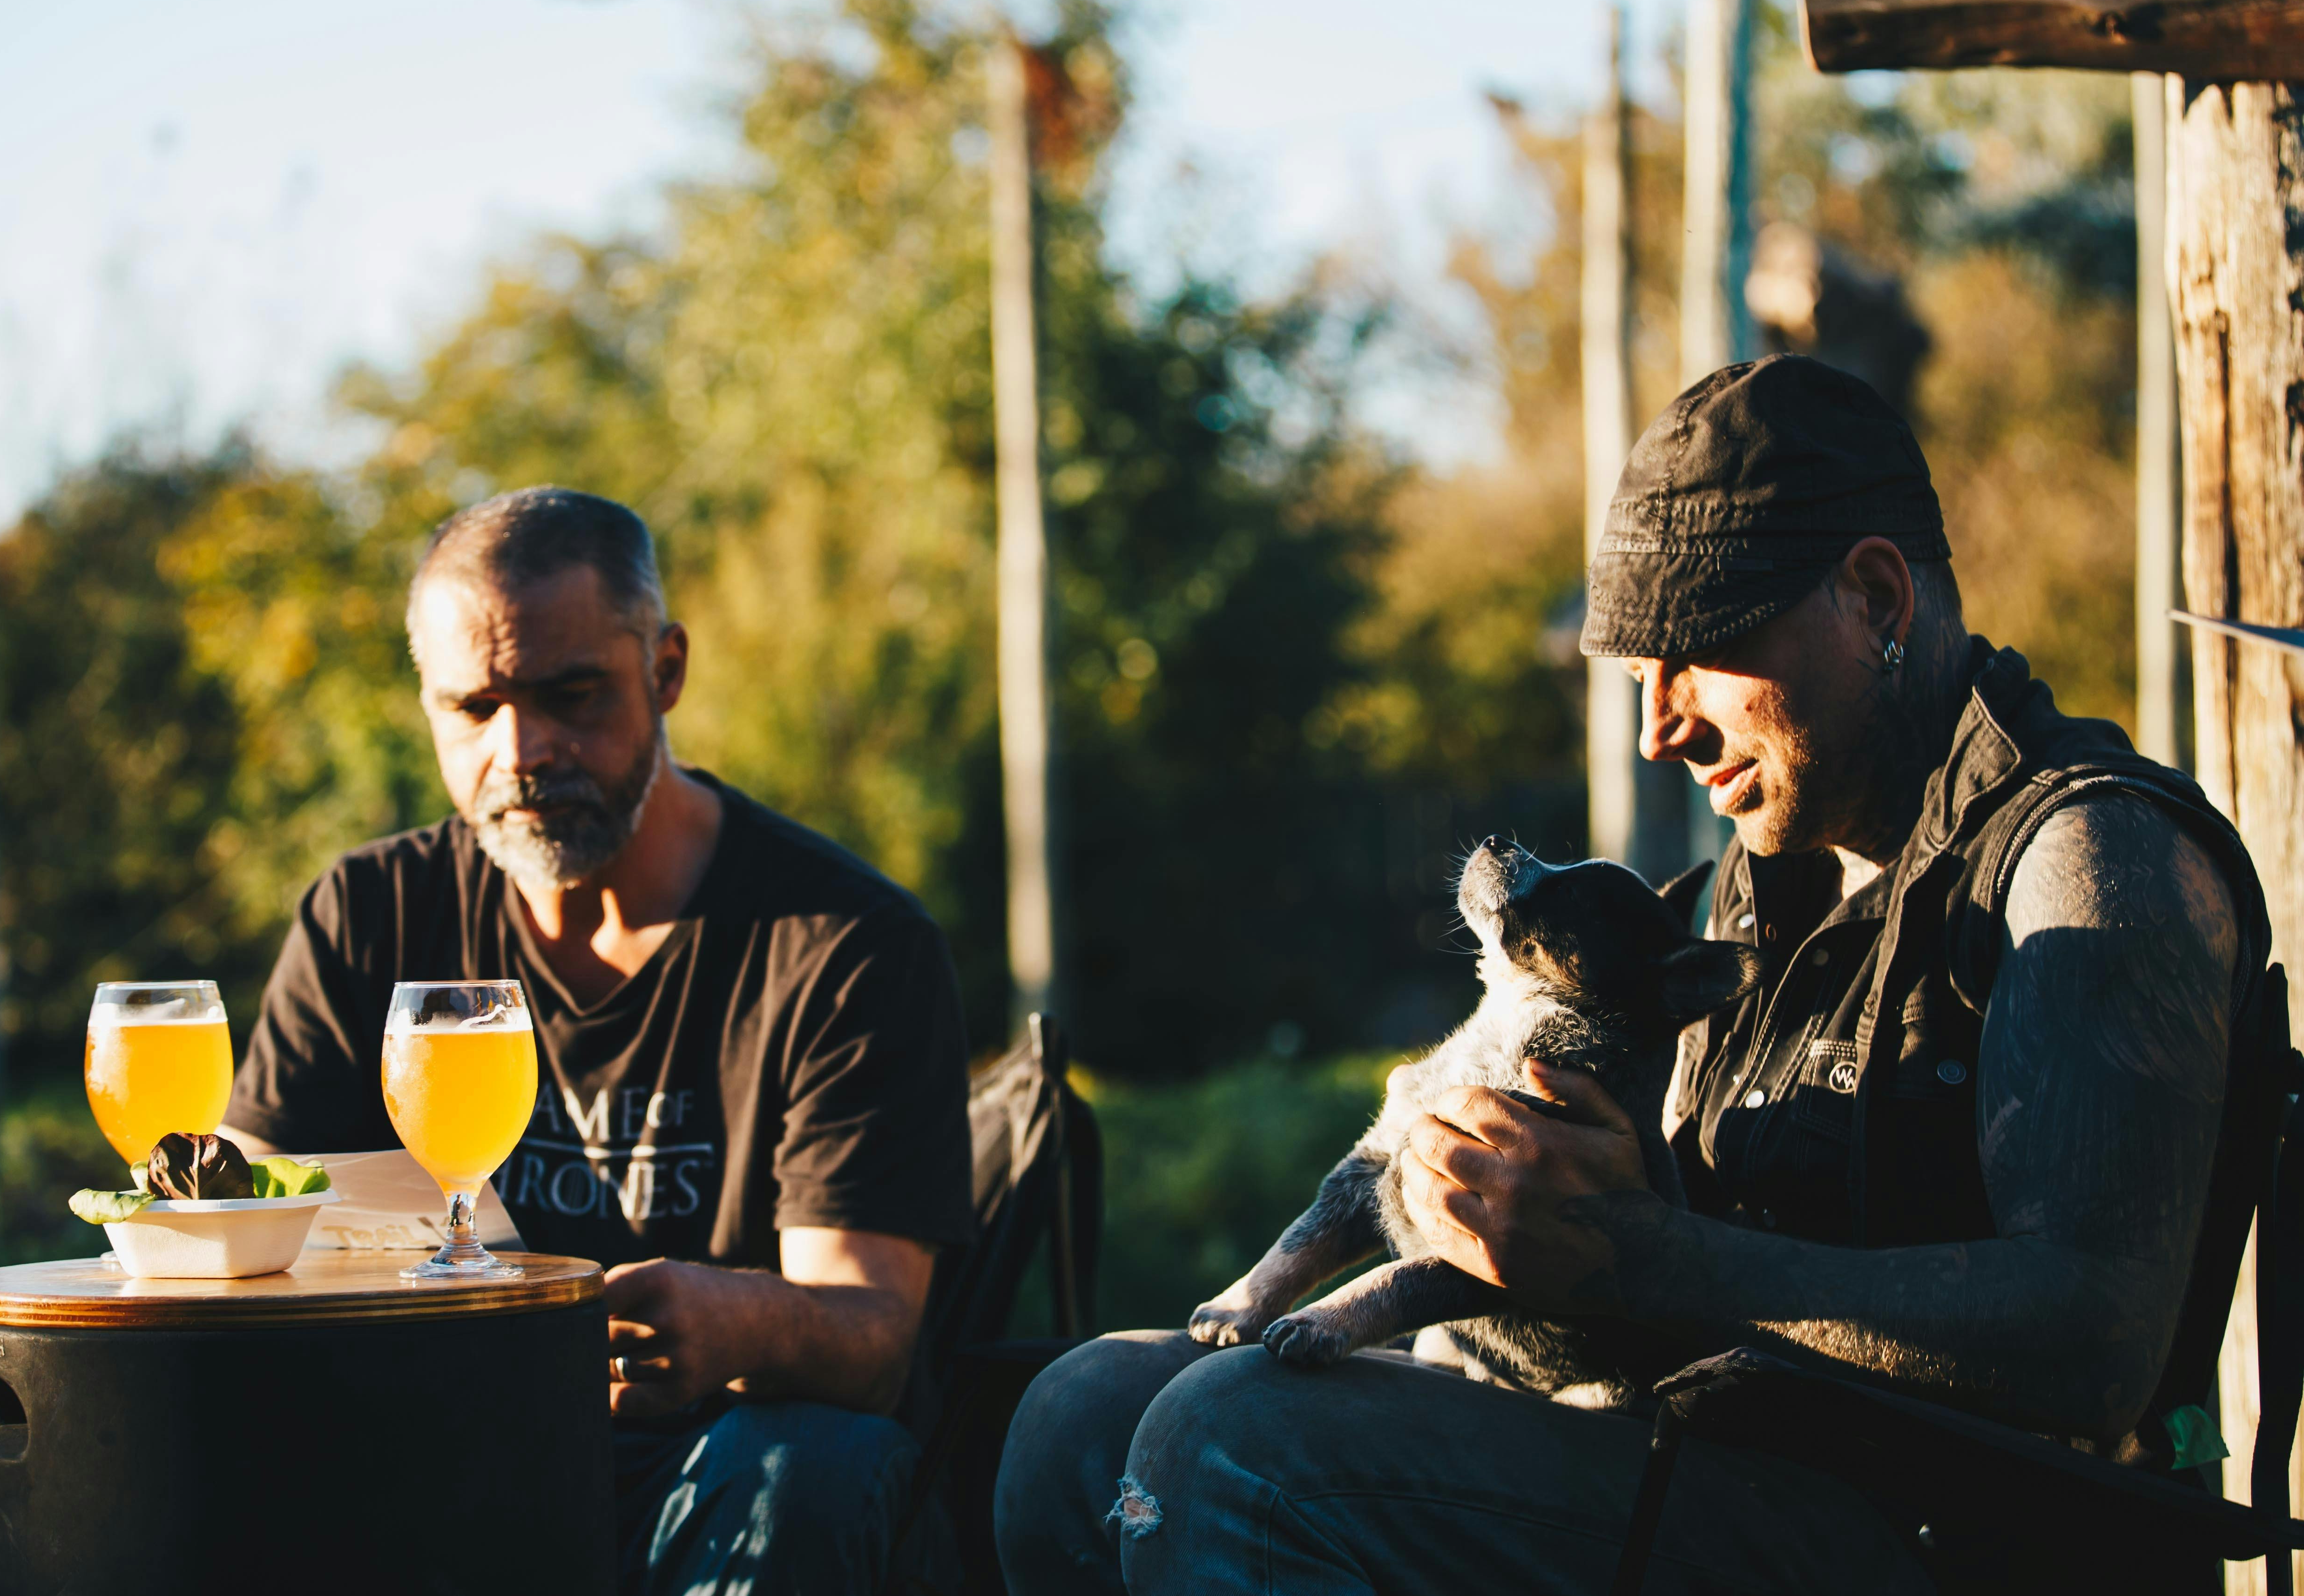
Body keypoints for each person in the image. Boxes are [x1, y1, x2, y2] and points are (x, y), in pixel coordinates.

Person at [993, 354, 2272, 1595]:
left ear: (1875, 599)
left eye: (1695, 654)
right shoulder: (1750, 887)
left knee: (1226, 1445)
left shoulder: (2091, 861)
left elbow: (2092, 1334)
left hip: (1926, 1538)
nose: (1660, 727)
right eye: (1639, 675)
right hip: (1683, 1457)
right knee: (1082, 1414)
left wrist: (1648, 1257)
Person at [219, 487, 973, 1596]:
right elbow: (242, 1231)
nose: (521, 750)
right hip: (430, 1457)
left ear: (665, 670)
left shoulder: (842, 942)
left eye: (570, 695)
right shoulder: (368, 913)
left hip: (716, 1469)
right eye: (473, 707)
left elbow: (873, 1338)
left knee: (814, 1461)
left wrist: (740, 1319)